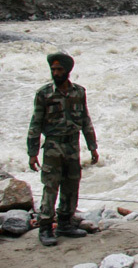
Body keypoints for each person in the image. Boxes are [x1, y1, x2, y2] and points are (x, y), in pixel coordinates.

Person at [27, 53, 98, 246]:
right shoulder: (44, 94)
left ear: (67, 71)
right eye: (53, 70)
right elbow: (35, 123)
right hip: (53, 145)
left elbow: (85, 121)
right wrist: (32, 153)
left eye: (59, 70)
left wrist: (92, 147)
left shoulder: (79, 92)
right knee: (51, 185)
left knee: (72, 183)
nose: (55, 73)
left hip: (72, 144)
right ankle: (45, 227)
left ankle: (66, 223)